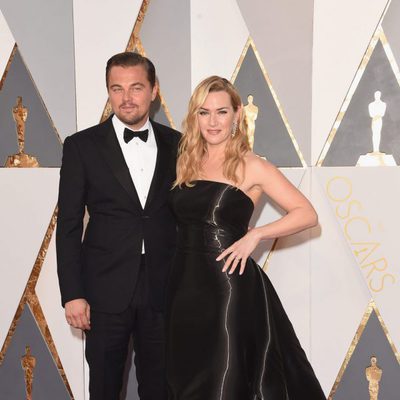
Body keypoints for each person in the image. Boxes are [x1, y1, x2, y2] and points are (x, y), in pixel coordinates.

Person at [166, 76, 326, 399]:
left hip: (228, 289)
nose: (213, 121)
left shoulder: (252, 165)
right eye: (204, 112)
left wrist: (259, 236)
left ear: (237, 115)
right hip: (184, 289)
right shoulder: (187, 161)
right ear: (195, 116)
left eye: (221, 112)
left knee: (225, 383)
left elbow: (307, 213)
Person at [56, 52, 180, 400]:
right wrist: (73, 293)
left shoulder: (179, 144)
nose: (126, 98)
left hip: (163, 287)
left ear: (154, 91)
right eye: (117, 88)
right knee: (105, 388)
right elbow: (67, 225)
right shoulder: (81, 146)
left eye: (136, 87)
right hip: (103, 291)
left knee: (162, 388)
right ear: (108, 92)